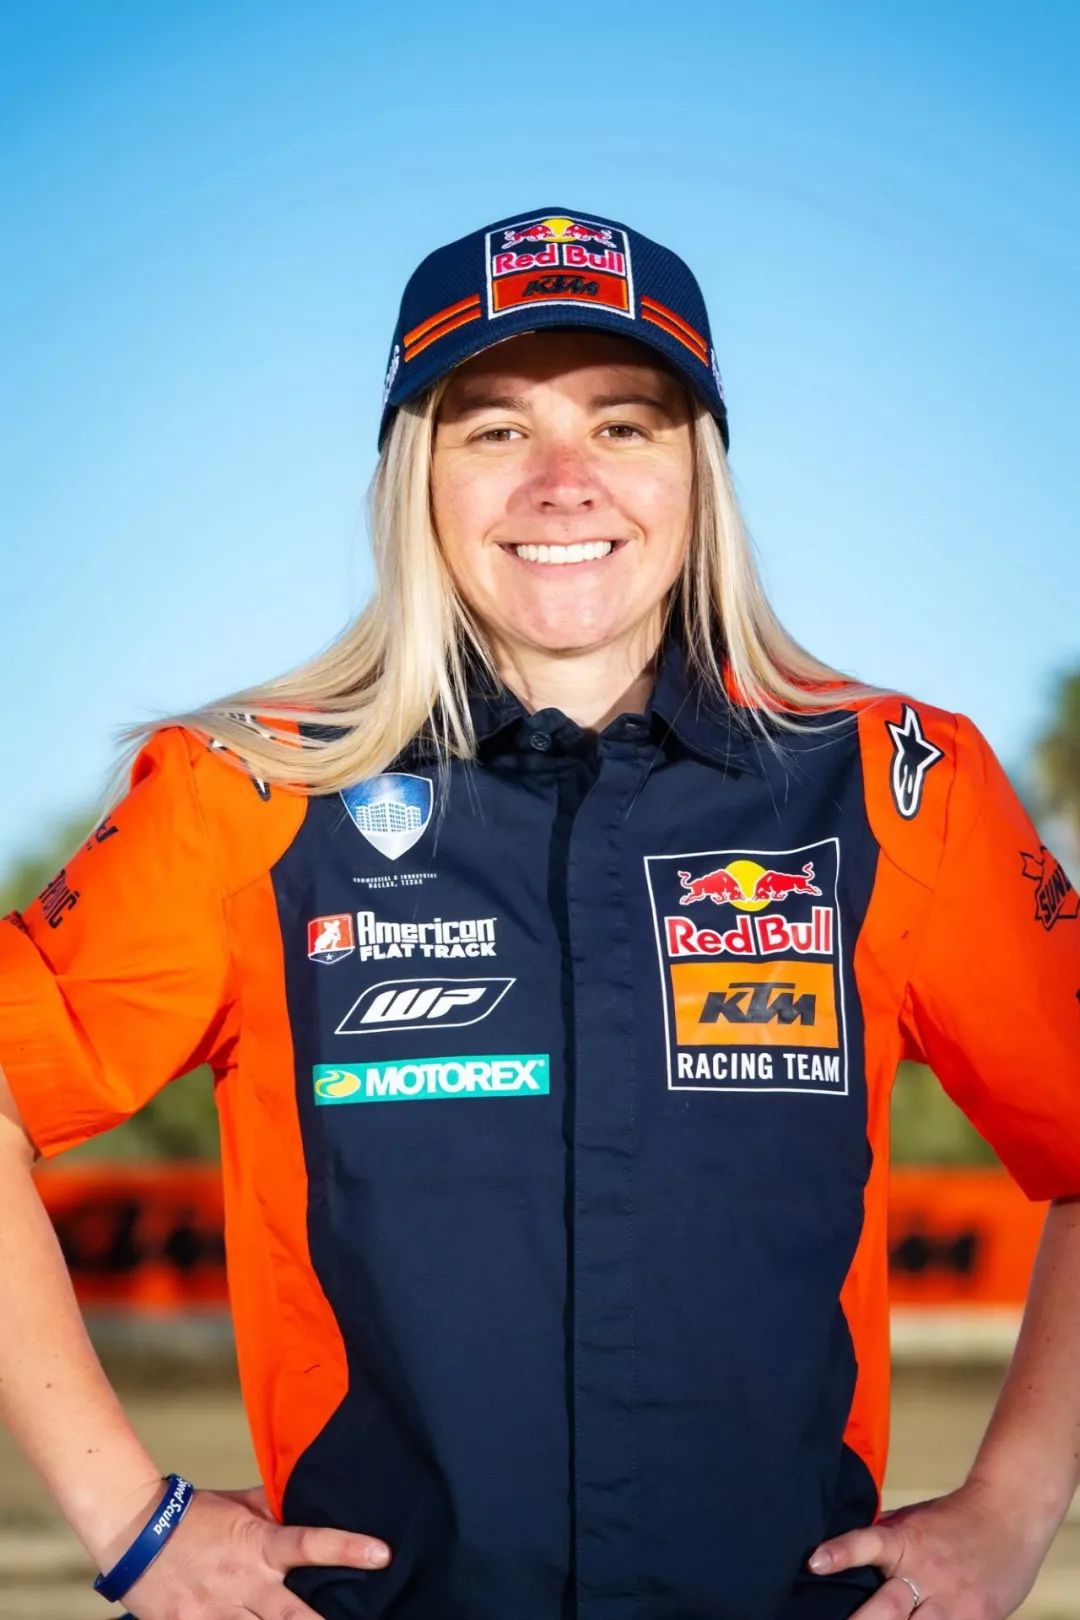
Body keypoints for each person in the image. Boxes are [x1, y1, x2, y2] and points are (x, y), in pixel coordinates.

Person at [0, 205, 1078, 1620]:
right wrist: (132, 1525)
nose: (565, 483)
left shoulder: (893, 785)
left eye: (624, 424)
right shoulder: (244, 793)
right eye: (495, 428)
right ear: (416, 475)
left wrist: (1015, 1507)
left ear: (699, 471)